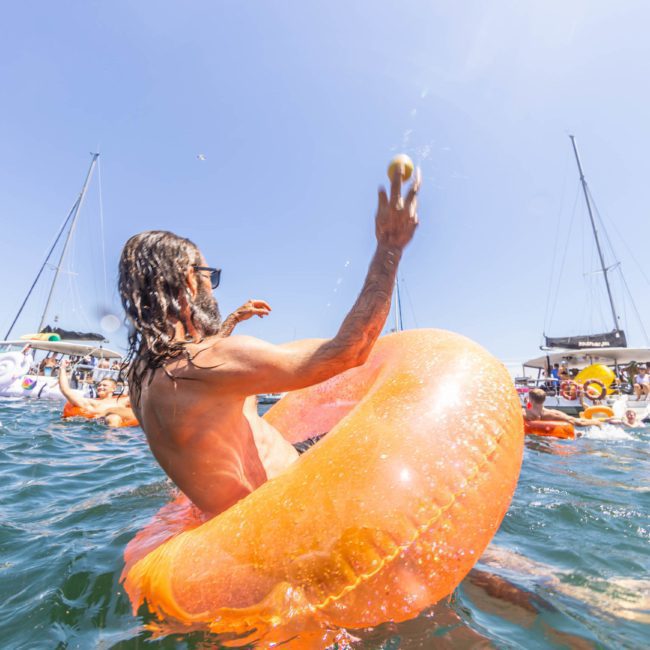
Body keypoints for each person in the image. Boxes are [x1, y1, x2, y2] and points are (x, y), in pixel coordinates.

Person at [118, 164, 420, 518]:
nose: (212, 290)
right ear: (187, 282)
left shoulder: (141, 377)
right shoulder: (212, 361)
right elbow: (351, 350)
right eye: (208, 277)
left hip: (238, 517)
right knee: (399, 451)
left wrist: (229, 321)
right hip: (293, 504)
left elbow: (205, 376)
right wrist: (390, 246)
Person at [58, 359, 133, 422]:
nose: (100, 387)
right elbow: (66, 390)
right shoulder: (92, 403)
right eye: (99, 385)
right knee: (113, 418)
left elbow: (140, 400)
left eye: (104, 385)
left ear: (114, 388)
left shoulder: (123, 400)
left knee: (113, 417)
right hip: (104, 427)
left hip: (124, 429)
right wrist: (62, 368)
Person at [524, 388, 601, 428]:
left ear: (532, 401)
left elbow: (577, 422)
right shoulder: (529, 406)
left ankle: (597, 421)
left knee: (576, 421)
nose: (528, 399)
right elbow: (527, 402)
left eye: (529, 398)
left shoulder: (551, 414)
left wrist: (596, 422)